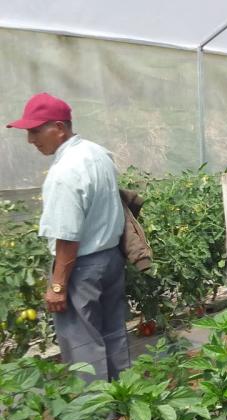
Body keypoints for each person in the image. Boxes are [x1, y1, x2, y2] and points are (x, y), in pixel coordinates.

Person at [7, 93, 128, 382]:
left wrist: (58, 285)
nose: (31, 139)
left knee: (82, 344)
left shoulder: (64, 172)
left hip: (81, 267)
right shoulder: (98, 153)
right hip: (110, 258)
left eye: (36, 130)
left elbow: (67, 237)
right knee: (112, 331)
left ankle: (97, 417)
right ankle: (125, 398)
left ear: (59, 128)